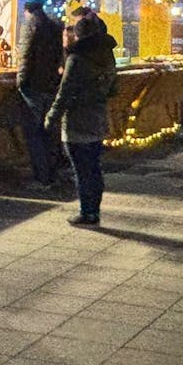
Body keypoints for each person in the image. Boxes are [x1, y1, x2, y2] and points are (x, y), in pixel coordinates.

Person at [44, 12, 116, 226]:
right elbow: (113, 89)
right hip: (97, 117)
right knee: (93, 166)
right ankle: (94, 210)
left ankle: (87, 212)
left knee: (81, 169)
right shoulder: (106, 56)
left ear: (78, 36)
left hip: (77, 119)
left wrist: (51, 117)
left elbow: (64, 92)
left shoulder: (77, 59)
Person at [15, 0, 66, 188]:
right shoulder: (54, 26)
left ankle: (41, 177)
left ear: (27, 9)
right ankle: (52, 174)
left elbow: (25, 55)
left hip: (34, 86)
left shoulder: (30, 25)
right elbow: (60, 56)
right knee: (49, 132)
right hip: (51, 85)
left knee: (34, 133)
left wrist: (20, 81)